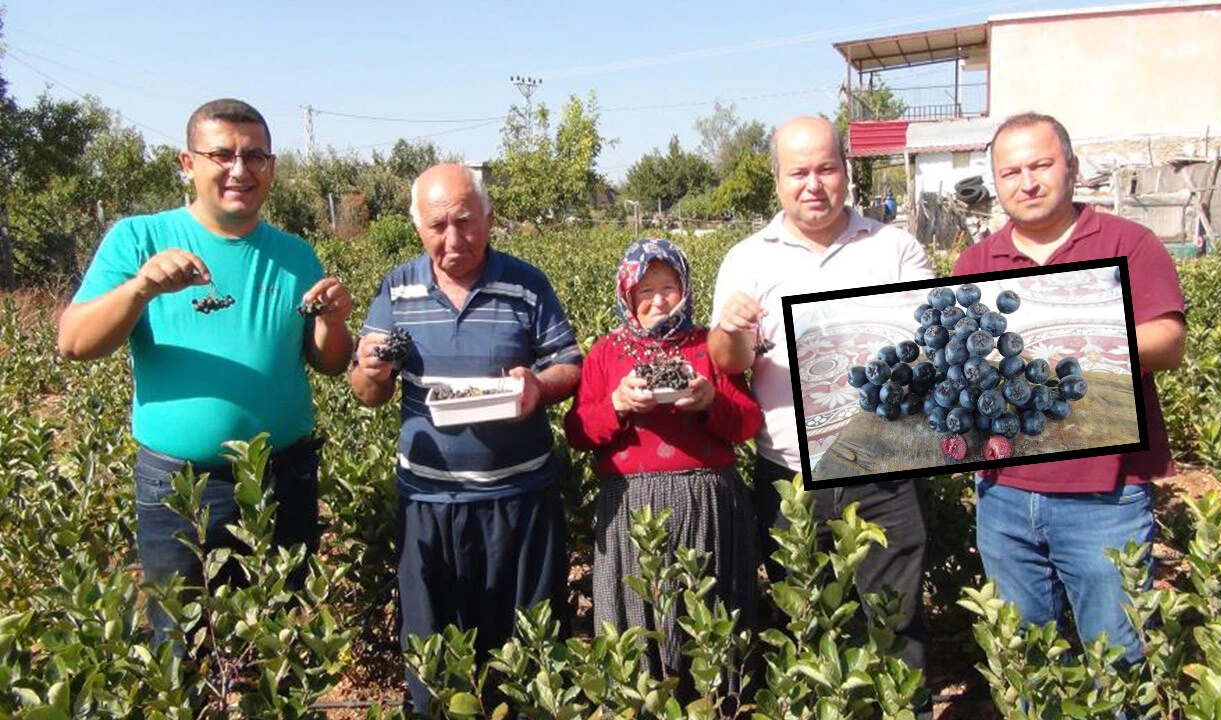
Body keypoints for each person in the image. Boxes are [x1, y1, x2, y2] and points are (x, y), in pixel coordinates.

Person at [56, 98, 354, 649]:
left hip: (282, 481)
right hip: (182, 488)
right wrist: (141, 287)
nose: (241, 170)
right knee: (185, 644)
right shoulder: (139, 240)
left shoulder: (295, 254)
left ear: (272, 166)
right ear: (187, 163)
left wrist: (334, 324)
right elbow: (74, 342)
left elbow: (329, 363)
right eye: (222, 155)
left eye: (256, 156)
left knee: (282, 642)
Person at [708, 115, 936, 719]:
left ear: (846, 171)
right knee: (802, 621)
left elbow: (934, 342)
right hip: (790, 475)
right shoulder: (747, 258)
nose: (814, 184)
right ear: (777, 180)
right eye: (799, 172)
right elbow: (727, 363)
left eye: (826, 168)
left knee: (894, 621)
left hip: (885, 462)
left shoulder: (894, 247)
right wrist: (732, 329)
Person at [953, 112, 1185, 679]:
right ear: (996, 181)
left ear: (1071, 167)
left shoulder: (1126, 242)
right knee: (1026, 664)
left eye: (1041, 165)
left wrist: (1069, 343)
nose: (1027, 182)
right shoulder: (976, 262)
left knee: (1119, 664)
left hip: (1104, 497)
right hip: (1003, 494)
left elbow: (1168, 340)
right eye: (1011, 171)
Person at [348, 163, 582, 713]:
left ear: (488, 218)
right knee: (434, 662)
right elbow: (367, 388)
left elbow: (568, 364)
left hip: (520, 501)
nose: (453, 239)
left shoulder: (526, 283)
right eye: (437, 226)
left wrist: (536, 387)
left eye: (465, 221)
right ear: (416, 227)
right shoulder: (397, 288)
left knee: (531, 660)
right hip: (429, 504)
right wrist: (370, 371)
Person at [564, 237, 762, 700]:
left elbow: (748, 421)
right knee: (639, 619)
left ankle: (717, 705)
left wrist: (711, 401)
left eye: (668, 287)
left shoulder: (709, 348)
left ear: (685, 289)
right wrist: (616, 404)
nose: (657, 300)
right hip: (631, 508)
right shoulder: (606, 354)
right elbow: (576, 431)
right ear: (627, 295)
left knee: (710, 614)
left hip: (707, 505)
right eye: (645, 290)